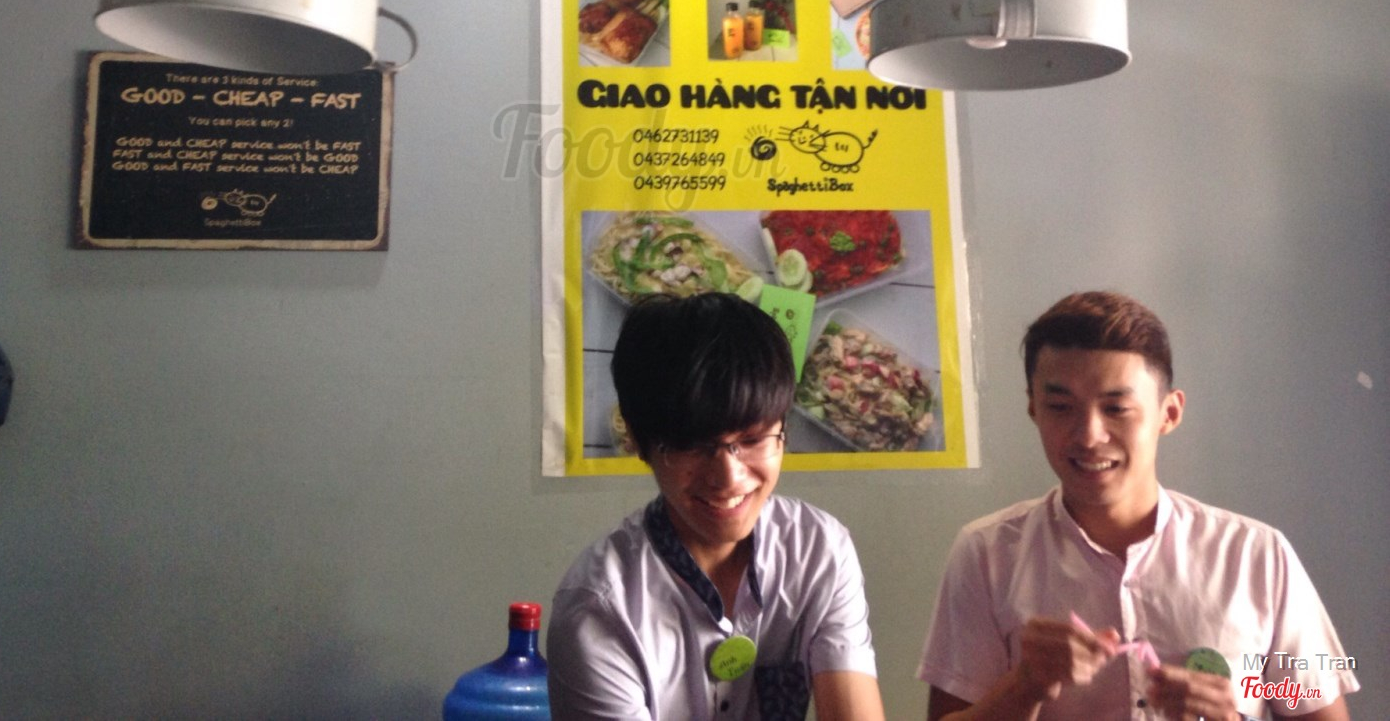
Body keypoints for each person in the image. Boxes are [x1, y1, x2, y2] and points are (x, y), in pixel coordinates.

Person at [918, 291, 1360, 721]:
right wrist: (1025, 685)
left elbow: (1312, 703)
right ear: (1034, 409)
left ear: (1169, 413)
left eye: (1116, 408)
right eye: (1060, 406)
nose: (1089, 435)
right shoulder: (987, 555)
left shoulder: (1258, 555)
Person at [547, 291, 885, 721]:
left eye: (753, 439)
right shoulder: (600, 607)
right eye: (693, 445)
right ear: (638, 439)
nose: (728, 477)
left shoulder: (817, 551)